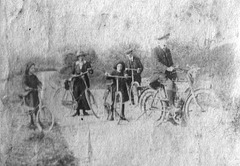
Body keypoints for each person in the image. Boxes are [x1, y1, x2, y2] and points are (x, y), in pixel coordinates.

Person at [150, 34, 177, 108]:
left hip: (166, 74)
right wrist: (166, 68)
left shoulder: (167, 50)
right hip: (158, 74)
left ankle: (172, 102)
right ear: (159, 41)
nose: (166, 41)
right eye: (164, 39)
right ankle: (171, 106)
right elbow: (157, 63)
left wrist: (174, 67)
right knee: (170, 84)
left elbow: (171, 62)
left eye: (166, 39)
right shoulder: (155, 50)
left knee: (175, 86)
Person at [71, 51, 93, 117]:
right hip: (77, 81)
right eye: (79, 56)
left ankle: (84, 111)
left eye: (82, 56)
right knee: (76, 95)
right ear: (78, 57)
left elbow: (91, 71)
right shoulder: (75, 63)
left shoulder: (86, 63)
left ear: (83, 57)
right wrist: (75, 75)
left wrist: (90, 70)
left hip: (84, 80)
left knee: (84, 95)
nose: (81, 57)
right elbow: (72, 72)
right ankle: (77, 111)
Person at [22, 62, 42, 129]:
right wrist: (27, 87)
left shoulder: (34, 76)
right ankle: (32, 122)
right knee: (31, 108)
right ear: (28, 69)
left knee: (37, 107)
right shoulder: (25, 77)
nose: (33, 69)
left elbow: (38, 82)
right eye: (32, 68)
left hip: (35, 94)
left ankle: (37, 121)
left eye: (34, 68)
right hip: (29, 95)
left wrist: (40, 85)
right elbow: (24, 84)